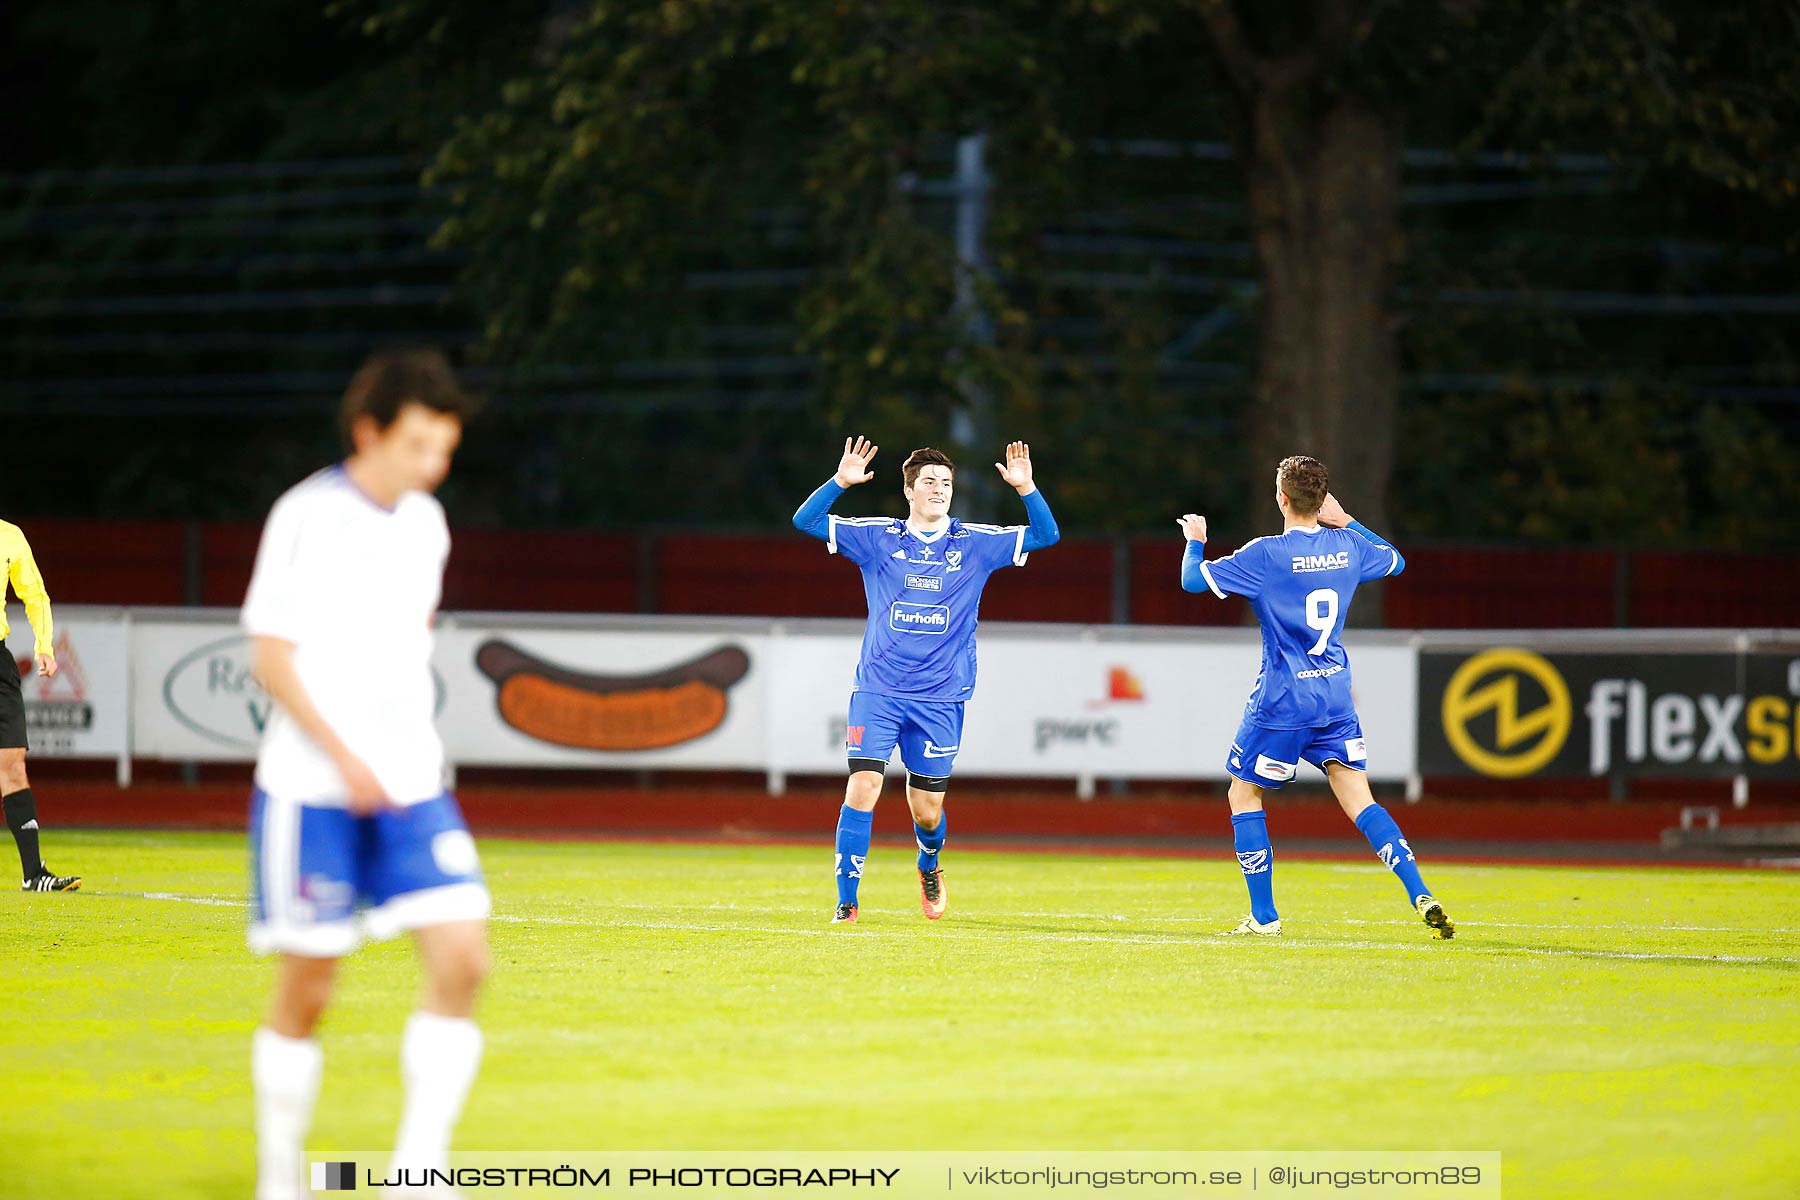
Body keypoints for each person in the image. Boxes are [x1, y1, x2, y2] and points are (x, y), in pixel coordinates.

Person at [244, 349, 490, 1200]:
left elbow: (404, 647)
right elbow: (271, 656)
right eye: (419, 444)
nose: (432, 464)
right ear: (369, 431)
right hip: (312, 789)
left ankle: (416, 1176)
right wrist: (346, 757)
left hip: (412, 784)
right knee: (310, 988)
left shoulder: (427, 522)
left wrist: (395, 751)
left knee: (463, 958)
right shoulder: (306, 516)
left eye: (445, 449)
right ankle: (280, 1179)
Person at [1178, 454, 1453, 939]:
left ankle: (1264, 917)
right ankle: (1419, 893)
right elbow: (1396, 559)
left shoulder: (1265, 554)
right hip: (1334, 696)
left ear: (1281, 498)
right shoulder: (1348, 546)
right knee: (1360, 800)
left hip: (1284, 699)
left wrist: (1195, 542)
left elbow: (1191, 581)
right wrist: (1346, 519)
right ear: (1321, 499)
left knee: (1244, 793)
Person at [793, 437, 1059, 924]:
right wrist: (840, 482)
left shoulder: (974, 544)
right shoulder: (879, 538)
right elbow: (805, 522)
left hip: (940, 696)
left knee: (927, 812)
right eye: (930, 482)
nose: (939, 489)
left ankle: (929, 863)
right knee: (864, 787)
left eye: (947, 483)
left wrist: (1027, 489)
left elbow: (1046, 536)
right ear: (909, 490)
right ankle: (846, 901)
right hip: (878, 689)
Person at [0, 520, 79, 892]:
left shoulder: (9, 535)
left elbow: (36, 595)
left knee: (12, 762)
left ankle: (33, 874)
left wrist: (44, 644)